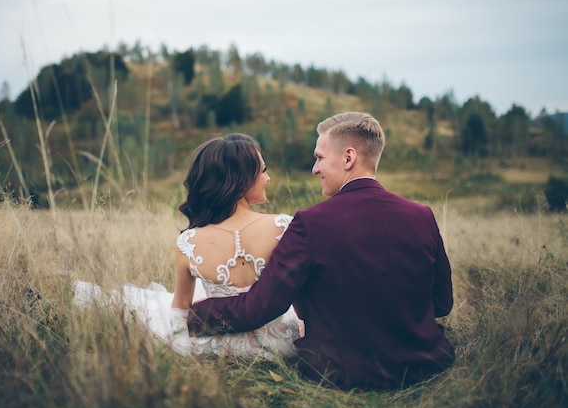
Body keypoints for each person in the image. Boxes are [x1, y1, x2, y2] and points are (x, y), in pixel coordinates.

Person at [187, 112, 455, 390]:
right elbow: (442, 303)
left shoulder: (309, 223)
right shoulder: (422, 215)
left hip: (343, 374)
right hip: (425, 367)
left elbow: (260, 307)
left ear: (348, 158)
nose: (315, 168)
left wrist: (195, 315)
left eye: (320, 158)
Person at [74, 133, 302, 360]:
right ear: (241, 178)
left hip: (220, 346)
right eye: (263, 171)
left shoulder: (189, 242)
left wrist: (177, 344)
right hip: (279, 343)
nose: (268, 178)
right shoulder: (283, 226)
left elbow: (180, 309)